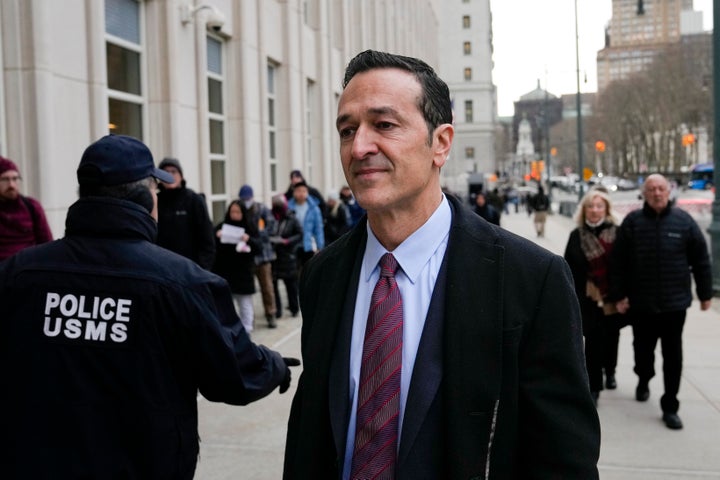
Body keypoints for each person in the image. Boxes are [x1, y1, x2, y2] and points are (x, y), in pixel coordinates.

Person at [283, 50, 600, 479]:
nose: (359, 147)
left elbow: (562, 461)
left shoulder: (531, 280)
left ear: (441, 143)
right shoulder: (323, 275)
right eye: (347, 129)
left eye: (384, 125)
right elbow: (309, 434)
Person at [0, 134, 299, 478]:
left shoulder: (17, 274)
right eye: (157, 191)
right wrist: (273, 365)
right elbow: (232, 375)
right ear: (145, 198)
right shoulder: (184, 283)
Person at [608, 173, 713, 430]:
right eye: (652, 189)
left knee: (673, 355)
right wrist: (619, 296)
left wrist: (705, 293)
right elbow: (618, 264)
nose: (657, 193)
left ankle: (670, 405)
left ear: (669, 192)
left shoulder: (684, 222)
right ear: (644, 193)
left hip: (674, 304)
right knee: (643, 353)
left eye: (661, 189)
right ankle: (644, 377)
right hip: (641, 304)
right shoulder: (632, 222)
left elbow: (701, 260)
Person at [564, 187, 628, 406]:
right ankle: (594, 386)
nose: (594, 210)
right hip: (587, 298)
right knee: (591, 341)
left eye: (599, 206)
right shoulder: (576, 235)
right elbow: (568, 268)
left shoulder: (617, 234)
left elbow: (624, 266)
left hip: (612, 295)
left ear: (606, 209)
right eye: (590, 206)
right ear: (584, 210)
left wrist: (623, 295)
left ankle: (610, 370)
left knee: (611, 338)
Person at [156, 157, 216, 269]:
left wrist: (202, 270)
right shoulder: (155, 201)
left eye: (173, 171)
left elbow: (207, 240)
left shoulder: (194, 200)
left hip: (190, 270)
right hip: (162, 268)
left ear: (181, 176)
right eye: (165, 172)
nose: (170, 175)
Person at [212, 200, 262, 334]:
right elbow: (210, 246)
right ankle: (228, 331)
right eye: (232, 211)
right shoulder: (222, 226)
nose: (234, 215)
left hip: (243, 274)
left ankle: (247, 330)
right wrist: (216, 237)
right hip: (224, 272)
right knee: (226, 305)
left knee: (245, 304)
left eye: (237, 212)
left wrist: (248, 240)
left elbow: (259, 248)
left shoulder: (249, 227)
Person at [239, 184, 278, 328]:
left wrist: (258, 237)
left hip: (263, 255)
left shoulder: (261, 209)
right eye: (243, 198)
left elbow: (272, 227)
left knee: (267, 287)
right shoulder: (240, 210)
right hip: (247, 255)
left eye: (247, 198)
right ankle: (249, 318)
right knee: (248, 288)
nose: (245, 201)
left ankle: (271, 314)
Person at [0, 156, 53, 260]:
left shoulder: (32, 206)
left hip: (29, 269)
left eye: (15, 178)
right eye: (5, 179)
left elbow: (47, 243)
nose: (11, 184)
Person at [269, 194, 303, 319]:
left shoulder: (292, 218)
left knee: (290, 284)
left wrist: (287, 241)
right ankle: (277, 310)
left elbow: (300, 234)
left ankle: (294, 308)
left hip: (288, 255)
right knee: (274, 284)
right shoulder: (270, 217)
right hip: (274, 255)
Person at [287, 181, 325, 268]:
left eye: (304, 191)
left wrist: (320, 246)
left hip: (309, 245)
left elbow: (318, 229)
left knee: (308, 269)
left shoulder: (314, 208)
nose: (301, 193)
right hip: (293, 245)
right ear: (294, 192)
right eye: (299, 191)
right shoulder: (289, 207)